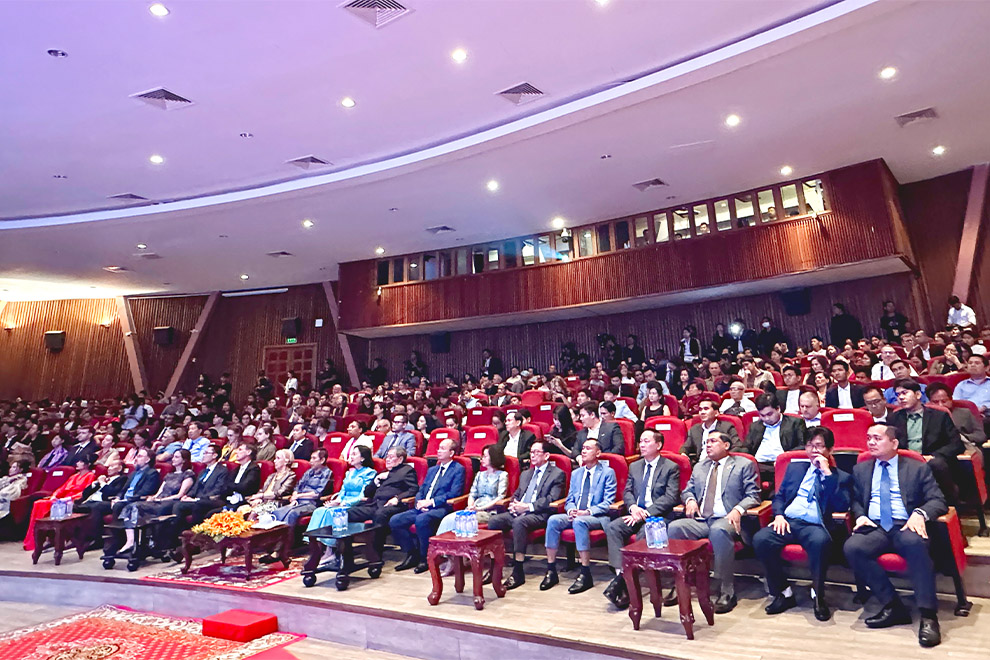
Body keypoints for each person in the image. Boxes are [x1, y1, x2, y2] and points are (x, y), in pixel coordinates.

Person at [843, 425, 946, 648]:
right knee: (853, 548)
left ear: (894, 443)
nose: (871, 442)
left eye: (877, 438)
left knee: (916, 546)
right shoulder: (861, 469)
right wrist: (860, 515)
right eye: (868, 438)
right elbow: (856, 501)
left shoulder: (917, 468)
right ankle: (893, 605)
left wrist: (920, 513)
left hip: (905, 524)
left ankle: (928, 615)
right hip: (875, 526)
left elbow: (938, 500)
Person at [753, 427, 852, 621]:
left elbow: (842, 504)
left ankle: (818, 595)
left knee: (820, 542)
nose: (814, 450)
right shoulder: (795, 468)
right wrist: (779, 515)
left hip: (815, 525)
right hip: (788, 521)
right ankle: (784, 592)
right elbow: (779, 496)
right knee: (761, 539)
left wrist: (827, 474)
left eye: (819, 446)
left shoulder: (841, 476)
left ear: (829, 450)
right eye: (810, 445)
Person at [668, 431, 760, 613]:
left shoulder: (743, 465)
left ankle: (727, 589)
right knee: (675, 527)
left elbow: (754, 495)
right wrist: (690, 500)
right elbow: (687, 491)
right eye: (706, 442)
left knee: (719, 530)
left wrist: (738, 509)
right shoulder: (700, 467)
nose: (707, 445)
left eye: (713, 441)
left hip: (727, 519)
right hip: (702, 519)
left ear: (726, 445)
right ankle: (681, 581)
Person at [603, 429, 681, 609]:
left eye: (646, 441)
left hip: (658, 517)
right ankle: (622, 576)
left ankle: (624, 585)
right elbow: (628, 492)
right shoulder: (635, 466)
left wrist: (646, 513)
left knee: (643, 534)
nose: (642, 445)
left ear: (658, 445)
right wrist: (633, 508)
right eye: (640, 441)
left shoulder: (670, 467)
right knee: (614, 527)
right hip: (635, 513)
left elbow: (670, 498)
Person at [542, 440, 617, 594]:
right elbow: (569, 499)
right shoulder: (576, 473)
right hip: (576, 514)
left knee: (580, 522)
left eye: (588, 448)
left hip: (596, 516)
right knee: (553, 520)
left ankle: (585, 572)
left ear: (597, 453)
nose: (583, 451)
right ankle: (551, 570)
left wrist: (587, 512)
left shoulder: (608, 472)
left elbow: (608, 502)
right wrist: (570, 510)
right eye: (582, 448)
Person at [489, 441, 566, 590]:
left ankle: (518, 570)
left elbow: (551, 499)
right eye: (531, 452)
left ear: (546, 455)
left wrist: (528, 507)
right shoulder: (526, 473)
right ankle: (495, 565)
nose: (533, 455)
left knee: (519, 522)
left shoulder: (557, 474)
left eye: (537, 452)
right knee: (494, 521)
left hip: (540, 514)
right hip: (519, 511)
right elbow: (518, 493)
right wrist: (513, 505)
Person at [391, 439, 465, 573]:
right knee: (395, 521)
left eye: (443, 448)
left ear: (452, 452)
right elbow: (422, 489)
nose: (438, 451)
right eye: (438, 448)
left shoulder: (458, 469)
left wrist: (431, 502)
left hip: (441, 508)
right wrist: (419, 502)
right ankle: (411, 553)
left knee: (422, 520)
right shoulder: (432, 470)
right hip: (422, 506)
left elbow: (454, 493)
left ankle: (425, 558)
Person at [434, 445, 508, 575]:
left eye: (485, 456)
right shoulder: (480, 474)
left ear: (494, 457)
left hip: (490, 511)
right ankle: (449, 556)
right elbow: (472, 493)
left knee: (457, 519)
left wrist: (479, 508)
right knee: (448, 519)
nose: (481, 459)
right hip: (474, 508)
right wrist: (471, 505)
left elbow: (500, 498)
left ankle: (454, 558)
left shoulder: (502, 475)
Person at [888, 379, 964, 502]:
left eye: (905, 393)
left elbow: (956, 444)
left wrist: (933, 456)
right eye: (898, 395)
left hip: (932, 460)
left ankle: (949, 504)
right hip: (905, 460)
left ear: (918, 395)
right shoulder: (894, 418)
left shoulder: (939, 416)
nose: (901, 397)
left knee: (937, 464)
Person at [305, 445, 376, 568]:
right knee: (320, 511)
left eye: (354, 454)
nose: (351, 457)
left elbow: (363, 495)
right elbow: (343, 491)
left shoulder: (370, 473)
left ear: (363, 458)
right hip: (343, 501)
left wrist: (345, 503)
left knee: (331, 513)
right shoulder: (350, 472)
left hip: (357, 504)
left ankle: (330, 550)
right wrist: (337, 501)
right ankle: (315, 548)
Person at [347, 446, 419, 555]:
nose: (388, 459)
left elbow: (414, 489)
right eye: (387, 457)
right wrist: (376, 481)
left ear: (400, 459)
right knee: (348, 513)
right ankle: (346, 554)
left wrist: (397, 498)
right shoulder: (382, 473)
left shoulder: (407, 471)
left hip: (392, 506)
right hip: (374, 504)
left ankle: (375, 554)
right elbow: (367, 493)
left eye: (391, 457)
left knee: (380, 515)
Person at [23, 457, 97, 551]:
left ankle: (52, 537)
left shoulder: (90, 476)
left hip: (74, 500)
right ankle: (44, 536)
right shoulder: (74, 476)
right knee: (39, 503)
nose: (77, 463)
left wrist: (69, 498)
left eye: (81, 461)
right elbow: (62, 488)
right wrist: (55, 495)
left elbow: (86, 491)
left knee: (46, 505)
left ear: (87, 464)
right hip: (62, 499)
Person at [166, 444, 231, 550]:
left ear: (214, 455)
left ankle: (196, 540)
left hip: (213, 500)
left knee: (199, 504)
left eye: (206, 453)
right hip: (197, 500)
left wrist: (198, 499)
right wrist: (188, 496)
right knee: (178, 505)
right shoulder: (202, 471)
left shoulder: (222, 471)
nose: (203, 455)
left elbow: (218, 490)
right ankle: (175, 541)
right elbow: (195, 488)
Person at [744, 394, 807, 492]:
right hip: (759, 465)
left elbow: (803, 446)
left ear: (778, 409)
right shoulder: (755, 426)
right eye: (762, 415)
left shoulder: (795, 422)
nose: (766, 419)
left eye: (769, 414)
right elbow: (747, 447)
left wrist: (783, 458)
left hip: (781, 463)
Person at [267, 448, 333, 530]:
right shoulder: (309, 472)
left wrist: (298, 496)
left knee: (291, 513)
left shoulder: (327, 473)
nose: (310, 461)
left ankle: (287, 541)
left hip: (311, 503)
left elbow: (317, 494)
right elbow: (298, 486)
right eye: (311, 458)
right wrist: (294, 496)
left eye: (314, 458)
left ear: (322, 460)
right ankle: (276, 538)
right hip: (298, 501)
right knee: (277, 511)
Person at [927, 383, 986, 451]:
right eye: (935, 402)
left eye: (944, 401)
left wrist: (962, 437)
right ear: (929, 402)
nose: (940, 405)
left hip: (963, 449)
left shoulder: (965, 413)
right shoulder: (926, 416)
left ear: (951, 399)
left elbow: (981, 435)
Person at [953, 354, 990, 423]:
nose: (972, 365)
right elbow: (956, 403)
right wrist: (973, 411)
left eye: (977, 363)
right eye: (970, 363)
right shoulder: (961, 385)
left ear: (986, 368)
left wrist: (985, 407)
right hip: (968, 416)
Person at [0, 460, 31, 528]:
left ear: (20, 469)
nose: (10, 469)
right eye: (11, 467)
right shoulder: (7, 478)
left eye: (14, 467)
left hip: (6, 507)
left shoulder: (22, 480)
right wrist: (9, 480)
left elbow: (9, 494)